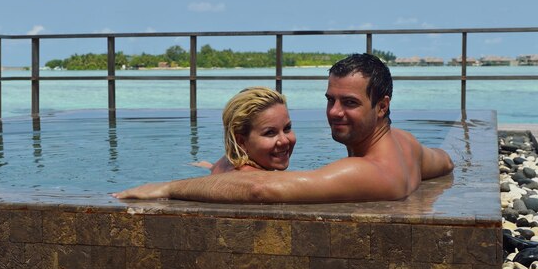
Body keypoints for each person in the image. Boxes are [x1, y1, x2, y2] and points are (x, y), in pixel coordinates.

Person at [113, 53, 454, 203]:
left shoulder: (367, 170)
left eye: (349, 103)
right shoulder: (406, 145)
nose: (334, 112)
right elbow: (446, 162)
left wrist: (168, 188)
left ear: (382, 105)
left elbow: (262, 190)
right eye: (330, 99)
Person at [205, 86, 296, 174]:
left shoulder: (225, 163)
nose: (284, 141)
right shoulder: (263, 183)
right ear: (241, 142)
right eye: (270, 132)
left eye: (287, 128)